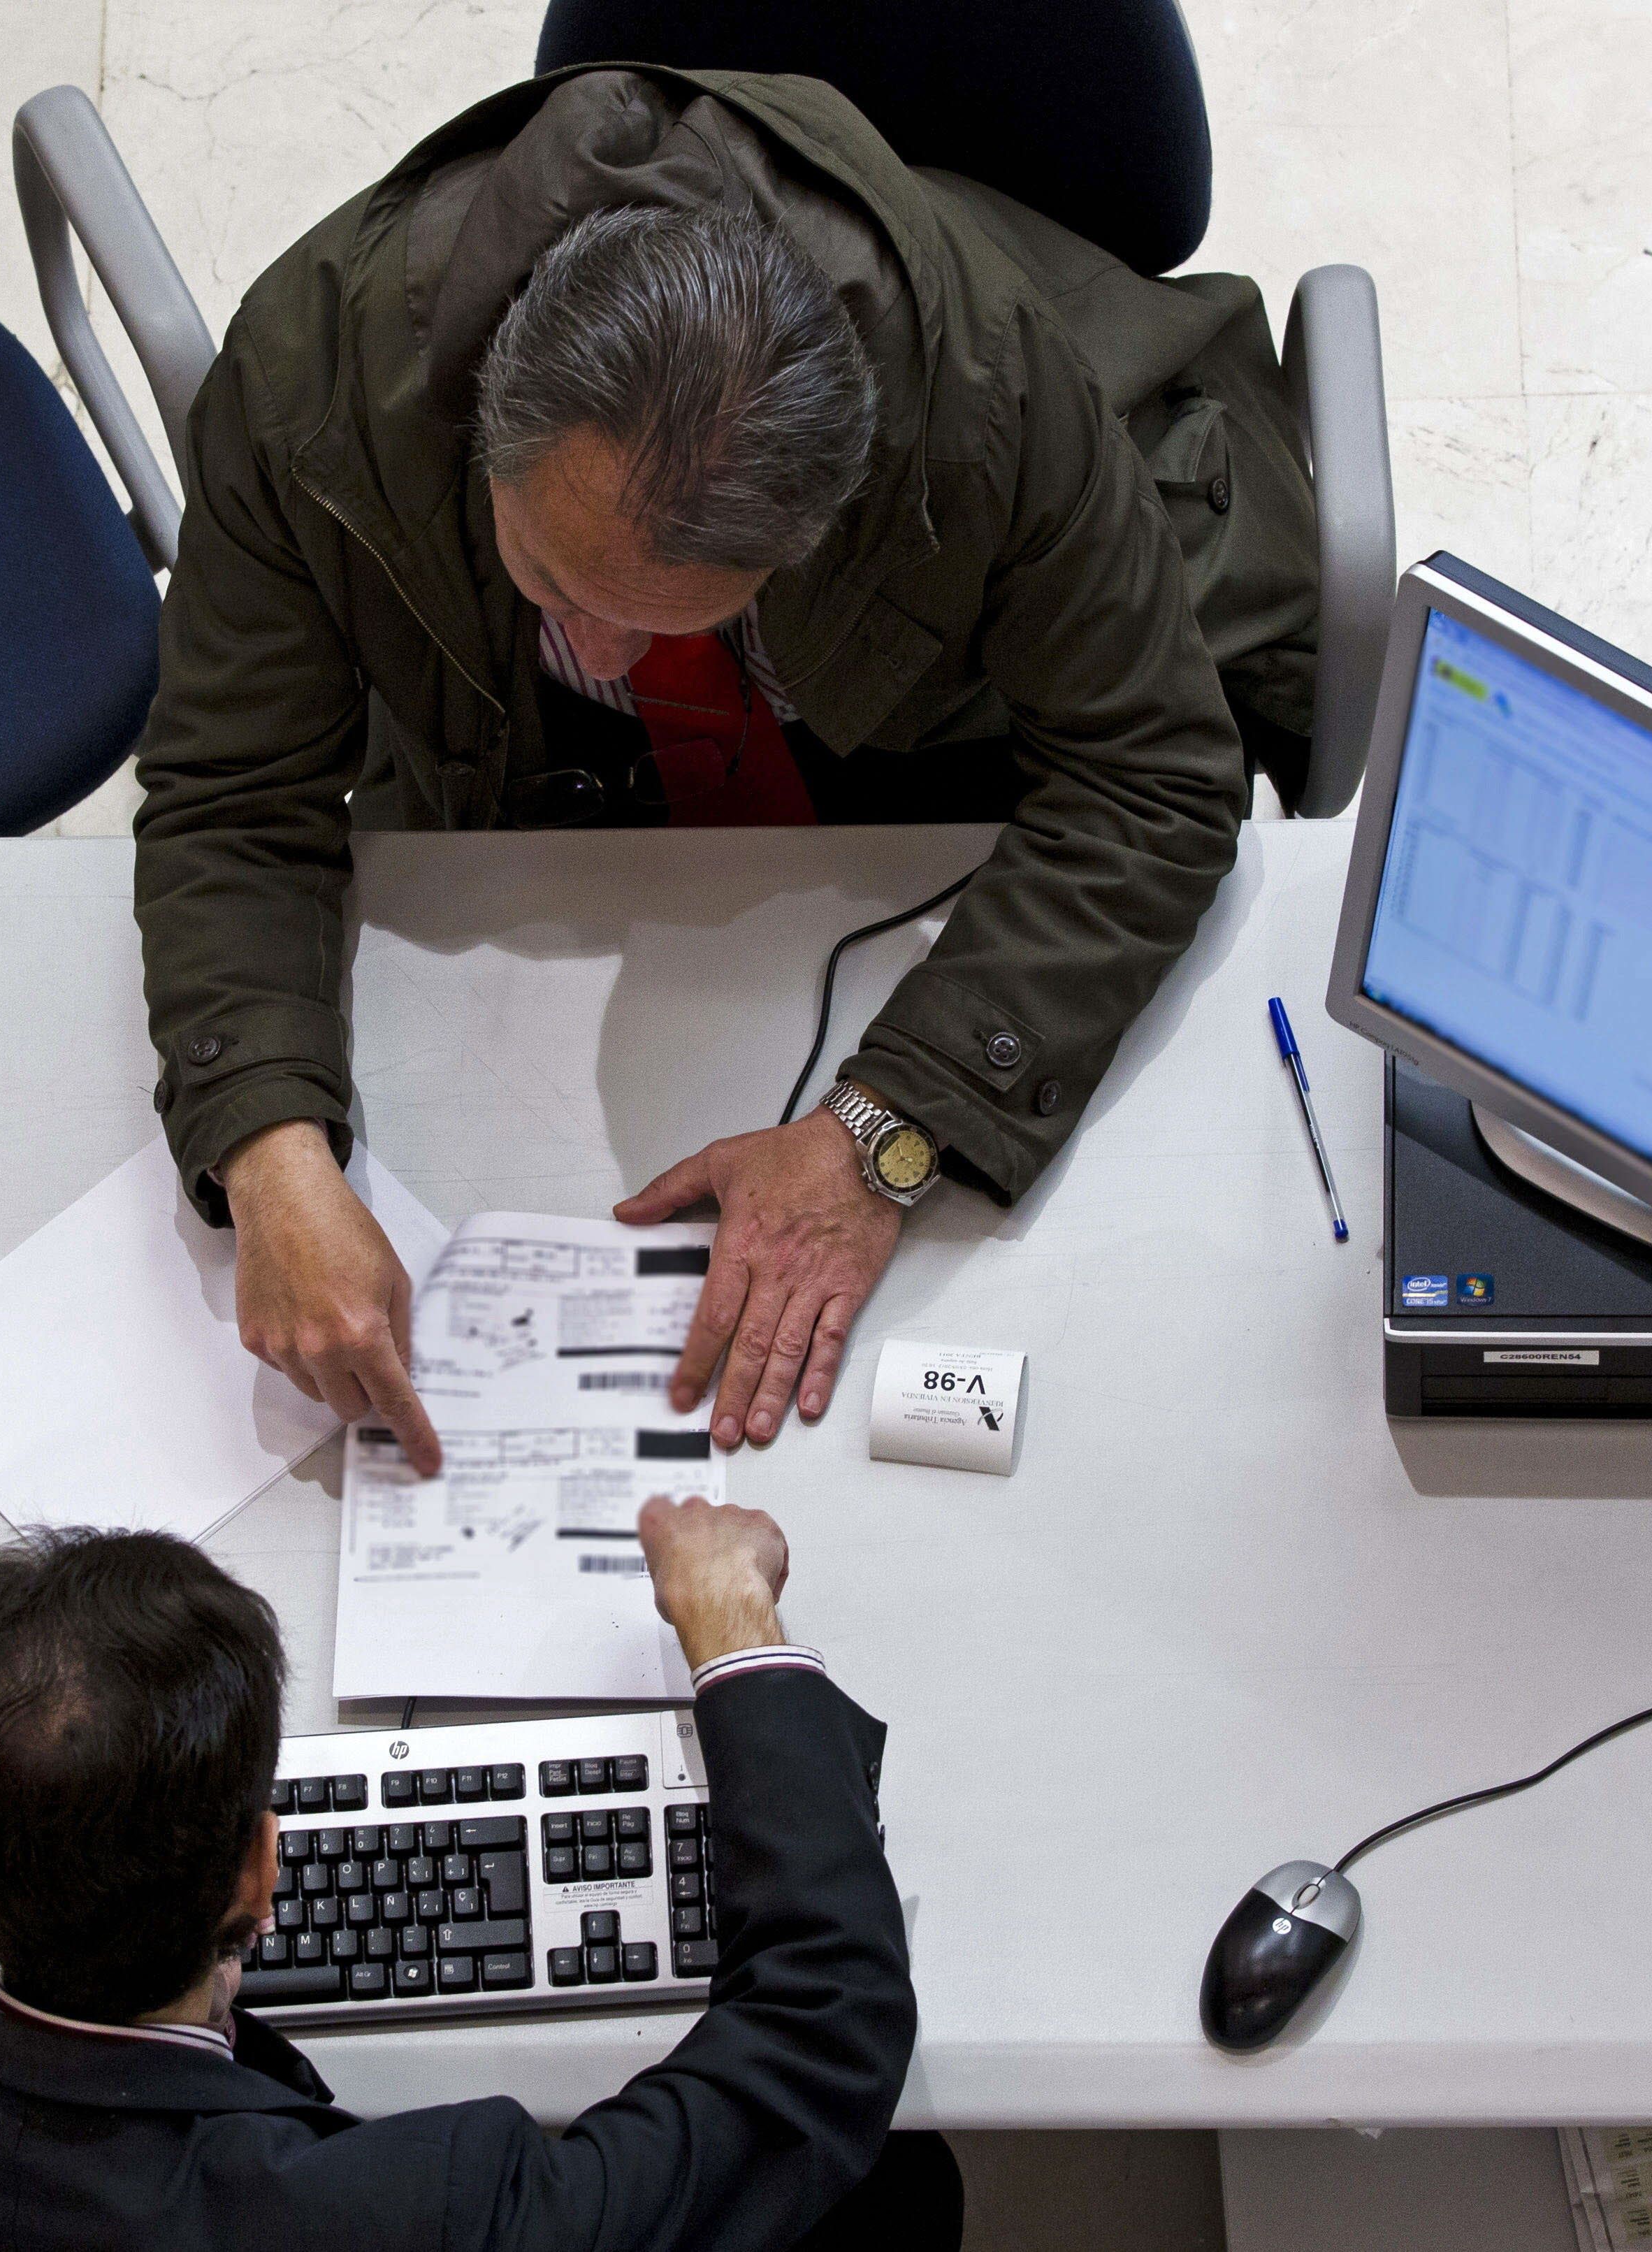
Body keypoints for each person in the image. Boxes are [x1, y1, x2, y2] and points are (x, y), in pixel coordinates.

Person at [138, 64, 1317, 1473]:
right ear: (483, 427)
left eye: (664, 619)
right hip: (518, 832)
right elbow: (231, 796)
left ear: (817, 529)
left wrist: (889, 1125)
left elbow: (1149, 771)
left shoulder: (984, 398)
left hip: (884, 801)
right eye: (548, 574)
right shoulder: (308, 382)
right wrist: (268, 1150)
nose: (599, 653)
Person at [0, 1495, 958, 2251]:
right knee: (904, 2188)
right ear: (262, 1859)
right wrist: (735, 1628)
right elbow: (819, 2041)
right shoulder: (416, 2216)